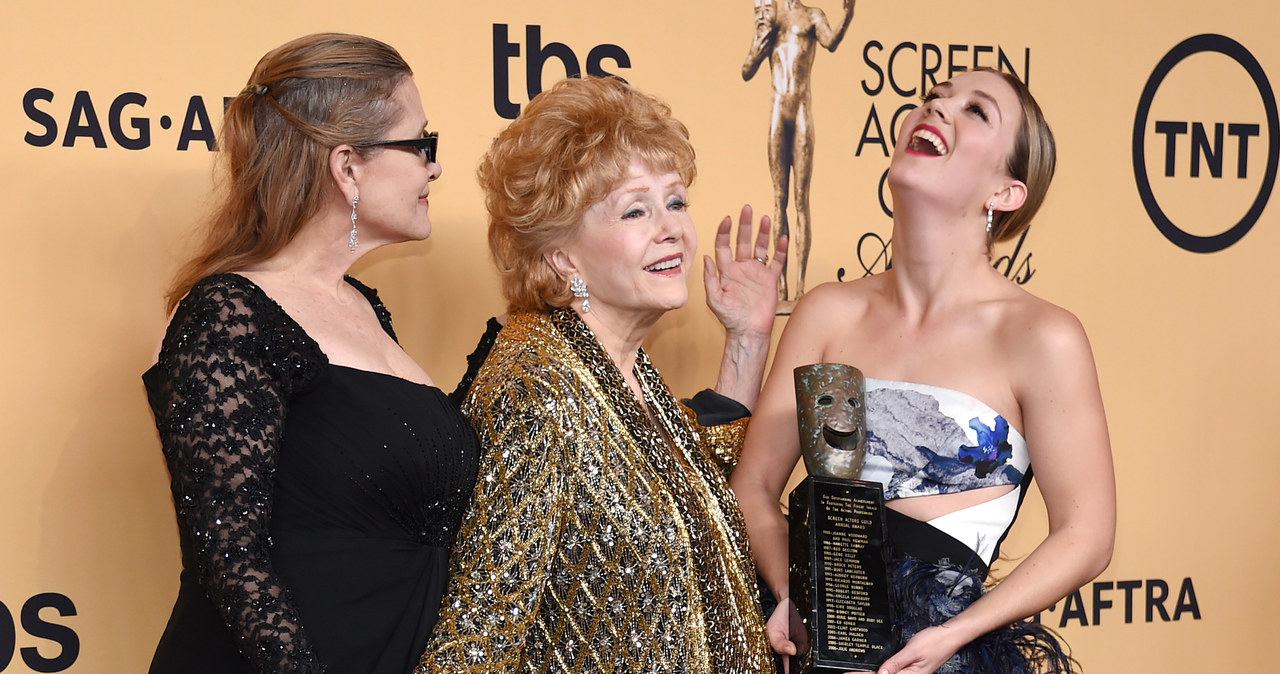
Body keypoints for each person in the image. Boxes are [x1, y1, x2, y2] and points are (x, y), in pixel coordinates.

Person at [729, 68, 1116, 674]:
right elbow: (753, 489)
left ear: (1007, 192)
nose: (936, 109)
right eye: (933, 98)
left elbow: (1086, 534)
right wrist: (790, 593)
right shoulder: (826, 312)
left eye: (975, 111)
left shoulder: (1041, 336)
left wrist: (954, 636)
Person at [417, 76, 784, 673]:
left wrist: (747, 337)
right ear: (562, 256)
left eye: (675, 201)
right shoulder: (536, 388)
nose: (671, 228)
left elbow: (685, 489)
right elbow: (481, 631)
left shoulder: (622, 366)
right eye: (634, 210)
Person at [143, 33, 479, 674]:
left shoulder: (367, 309)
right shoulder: (228, 312)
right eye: (420, 145)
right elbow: (229, 554)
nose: (433, 167)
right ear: (347, 166)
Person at [743, 0, 855, 302]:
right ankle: (780, 289)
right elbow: (747, 68)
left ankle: (802, 288)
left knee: (800, 201)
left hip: (802, 113)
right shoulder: (769, 17)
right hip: (778, 113)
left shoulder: (813, 16)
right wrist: (760, 36)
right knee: (779, 201)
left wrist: (848, 13)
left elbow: (830, 42)